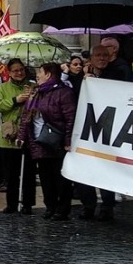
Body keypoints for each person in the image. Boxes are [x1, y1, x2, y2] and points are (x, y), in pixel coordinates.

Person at [21, 62, 77, 221]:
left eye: (40, 71)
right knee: (45, 177)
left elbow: (69, 117)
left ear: (49, 74)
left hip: (56, 141)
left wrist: (68, 139)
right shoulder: (37, 92)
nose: (37, 75)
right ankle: (50, 206)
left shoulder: (64, 92)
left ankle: (62, 208)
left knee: (59, 177)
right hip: (39, 141)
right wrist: (22, 136)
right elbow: (27, 116)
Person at [77, 45, 118, 220]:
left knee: (106, 169)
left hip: (108, 129)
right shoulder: (81, 76)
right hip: (86, 130)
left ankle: (107, 206)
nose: (102, 58)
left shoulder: (117, 74)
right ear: (91, 59)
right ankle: (88, 205)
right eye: (98, 55)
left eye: (105, 55)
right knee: (85, 168)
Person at [0, 58, 37, 215]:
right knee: (11, 174)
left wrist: (31, 100)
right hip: (9, 136)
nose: (19, 73)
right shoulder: (3, 88)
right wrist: (15, 100)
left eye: (21, 70)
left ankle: (27, 203)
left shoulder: (32, 86)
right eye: (15, 70)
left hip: (28, 135)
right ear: (9, 72)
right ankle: (11, 203)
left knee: (29, 173)